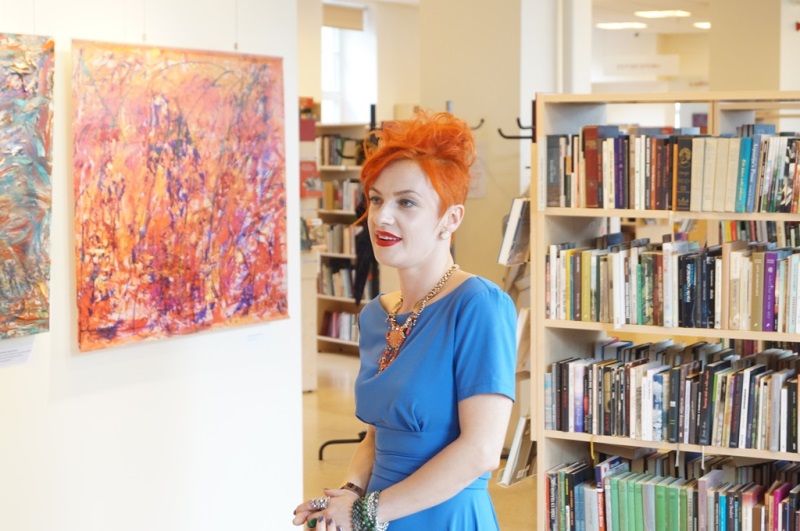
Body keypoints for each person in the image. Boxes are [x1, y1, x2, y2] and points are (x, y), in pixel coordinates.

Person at [293, 111, 517, 531]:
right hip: (382, 514)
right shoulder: (375, 315)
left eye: (406, 202)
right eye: (376, 199)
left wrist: (364, 512)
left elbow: (482, 451)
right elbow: (377, 435)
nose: (381, 217)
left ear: (451, 219)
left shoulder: (479, 306)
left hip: (444, 516)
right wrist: (348, 495)